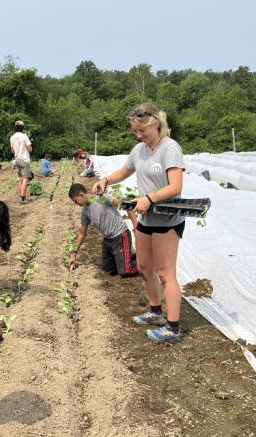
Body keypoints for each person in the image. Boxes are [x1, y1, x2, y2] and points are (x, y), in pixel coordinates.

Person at [93, 102, 186, 344]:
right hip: (147, 217)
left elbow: (176, 186)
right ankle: (155, 311)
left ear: (155, 123)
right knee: (145, 267)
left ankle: (173, 328)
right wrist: (104, 180)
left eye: (142, 130)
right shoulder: (139, 150)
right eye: (135, 131)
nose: (139, 135)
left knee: (166, 273)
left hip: (167, 218)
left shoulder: (170, 148)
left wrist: (149, 197)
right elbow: (123, 172)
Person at [68, 183, 138, 277]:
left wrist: (136, 227)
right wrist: (74, 253)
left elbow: (126, 206)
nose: (76, 204)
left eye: (75, 201)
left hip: (121, 235)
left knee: (125, 271)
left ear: (81, 194)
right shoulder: (85, 211)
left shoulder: (101, 199)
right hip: (108, 240)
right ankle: (128, 256)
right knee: (108, 270)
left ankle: (146, 263)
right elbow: (82, 233)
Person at [10, 120, 32, 203]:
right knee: (25, 179)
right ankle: (23, 197)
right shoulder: (24, 136)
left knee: (20, 179)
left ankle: (20, 196)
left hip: (17, 159)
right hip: (24, 159)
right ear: (22, 127)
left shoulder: (12, 137)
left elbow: (12, 151)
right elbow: (30, 149)